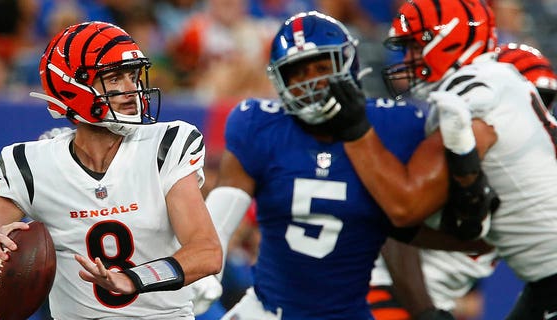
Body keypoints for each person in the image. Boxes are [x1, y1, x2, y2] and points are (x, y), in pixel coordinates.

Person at [192, 11, 495, 320]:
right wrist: (205, 268)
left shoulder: (395, 125)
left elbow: (401, 224)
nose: (312, 83)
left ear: (348, 65)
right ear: (280, 80)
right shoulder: (259, 124)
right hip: (267, 311)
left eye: (322, 68)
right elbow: (225, 207)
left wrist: (424, 309)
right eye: (298, 73)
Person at [0, 21, 222, 319]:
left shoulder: (165, 146)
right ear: (71, 87)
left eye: (133, 76)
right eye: (114, 79)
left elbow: (206, 252)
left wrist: (134, 278)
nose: (131, 90)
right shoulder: (34, 166)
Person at [329, 0, 557, 318]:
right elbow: (472, 236)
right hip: (542, 281)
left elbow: (404, 208)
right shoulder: (501, 78)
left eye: (414, 47)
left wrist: (356, 131)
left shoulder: (466, 98)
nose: (406, 60)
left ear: (446, 41)